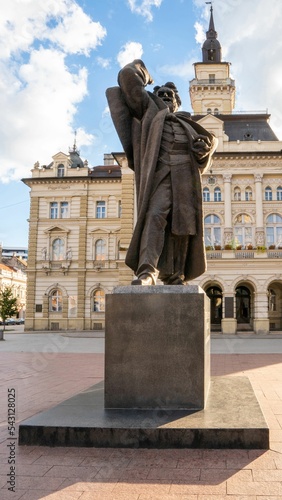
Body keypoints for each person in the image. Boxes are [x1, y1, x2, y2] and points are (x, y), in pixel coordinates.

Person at [106, 59, 217, 285]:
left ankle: (176, 275)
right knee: (155, 215)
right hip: (161, 173)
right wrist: (146, 76)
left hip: (185, 174)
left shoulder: (190, 125)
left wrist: (202, 151)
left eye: (171, 96)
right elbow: (127, 76)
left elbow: (205, 154)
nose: (166, 97)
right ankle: (147, 271)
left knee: (184, 225)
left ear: (177, 103)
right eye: (162, 94)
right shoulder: (149, 111)